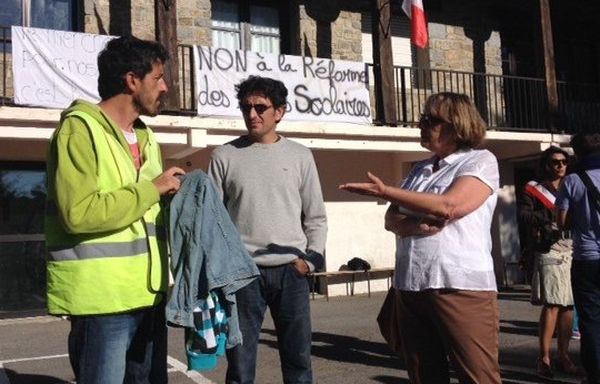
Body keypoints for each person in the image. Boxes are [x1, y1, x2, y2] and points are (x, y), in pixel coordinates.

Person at [45, 35, 185, 384]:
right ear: (132, 80)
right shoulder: (79, 129)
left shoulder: (147, 138)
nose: (165, 87)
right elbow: (78, 213)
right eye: (158, 78)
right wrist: (152, 189)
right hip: (101, 300)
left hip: (149, 294)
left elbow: (150, 209)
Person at [339, 92, 501, 383]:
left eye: (431, 120)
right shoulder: (420, 169)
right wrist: (418, 224)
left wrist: (385, 191)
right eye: (422, 119)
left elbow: (450, 206)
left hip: (458, 284)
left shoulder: (479, 161)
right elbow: (392, 219)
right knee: (423, 375)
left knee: (478, 376)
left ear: (457, 125)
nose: (421, 125)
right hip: (411, 284)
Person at [208, 75, 327, 384]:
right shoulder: (224, 156)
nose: (252, 114)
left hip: (292, 272)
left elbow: (316, 216)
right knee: (240, 365)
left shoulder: (301, 156)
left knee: (298, 360)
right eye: (246, 107)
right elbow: (213, 221)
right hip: (243, 275)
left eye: (260, 107)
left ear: (280, 111)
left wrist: (310, 261)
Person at [517, 146, 578, 378]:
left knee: (569, 305)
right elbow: (523, 215)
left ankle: (564, 356)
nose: (560, 165)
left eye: (563, 161)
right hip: (548, 248)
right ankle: (544, 358)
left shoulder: (573, 185)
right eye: (555, 162)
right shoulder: (533, 189)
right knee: (552, 303)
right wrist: (549, 218)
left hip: (574, 248)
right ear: (546, 164)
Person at [557, 132, 600, 384]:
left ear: (577, 153)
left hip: (587, 256)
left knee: (591, 319)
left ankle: (594, 375)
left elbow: (561, 221)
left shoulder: (572, 180)